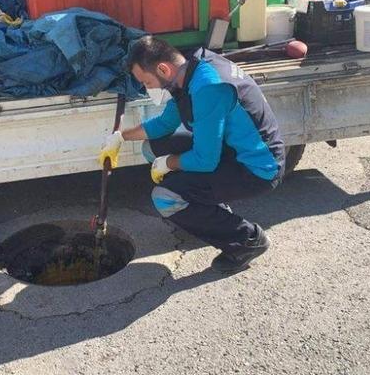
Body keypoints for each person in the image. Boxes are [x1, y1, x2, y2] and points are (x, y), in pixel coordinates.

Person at [99, 36, 286, 272]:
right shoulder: (191, 71)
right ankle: (202, 206)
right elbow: (165, 124)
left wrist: (169, 163)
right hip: (230, 151)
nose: (149, 88)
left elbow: (206, 161)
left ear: (163, 69)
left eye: (147, 82)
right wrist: (120, 137)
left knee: (165, 198)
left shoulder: (208, 87)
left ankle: (247, 240)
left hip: (257, 168)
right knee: (151, 147)